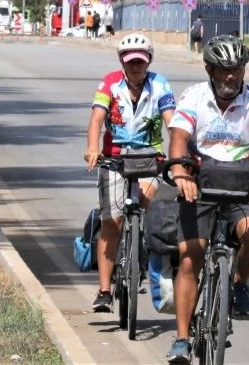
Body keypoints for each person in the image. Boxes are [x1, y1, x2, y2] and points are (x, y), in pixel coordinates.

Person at [165, 35, 249, 363]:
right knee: (191, 256)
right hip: (199, 186)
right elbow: (178, 138)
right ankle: (182, 339)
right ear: (210, 70)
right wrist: (181, 174)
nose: (231, 76)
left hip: (243, 183)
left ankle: (238, 284)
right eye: (224, 69)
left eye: (238, 69)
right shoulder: (194, 96)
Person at [84, 33, 177, 313]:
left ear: (148, 61)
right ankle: (104, 290)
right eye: (131, 62)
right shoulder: (110, 83)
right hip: (115, 159)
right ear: (122, 62)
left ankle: (141, 251)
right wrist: (92, 148)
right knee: (112, 222)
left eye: (141, 62)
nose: (136, 67)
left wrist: (179, 155)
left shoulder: (159, 84)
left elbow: (172, 122)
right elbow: (97, 118)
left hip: (150, 157)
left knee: (145, 207)